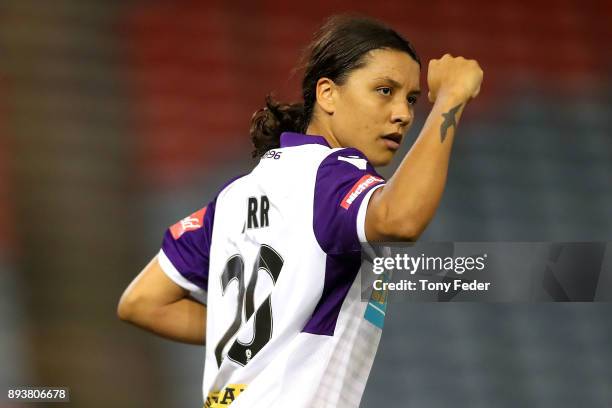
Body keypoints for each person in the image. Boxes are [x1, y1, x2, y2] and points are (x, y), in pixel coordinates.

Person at [117, 14, 482, 408]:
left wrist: (263, 327)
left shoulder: (234, 197)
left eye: (411, 99)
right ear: (327, 94)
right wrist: (450, 101)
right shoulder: (332, 177)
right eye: (384, 90)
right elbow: (401, 219)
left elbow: (144, 302)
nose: (403, 114)